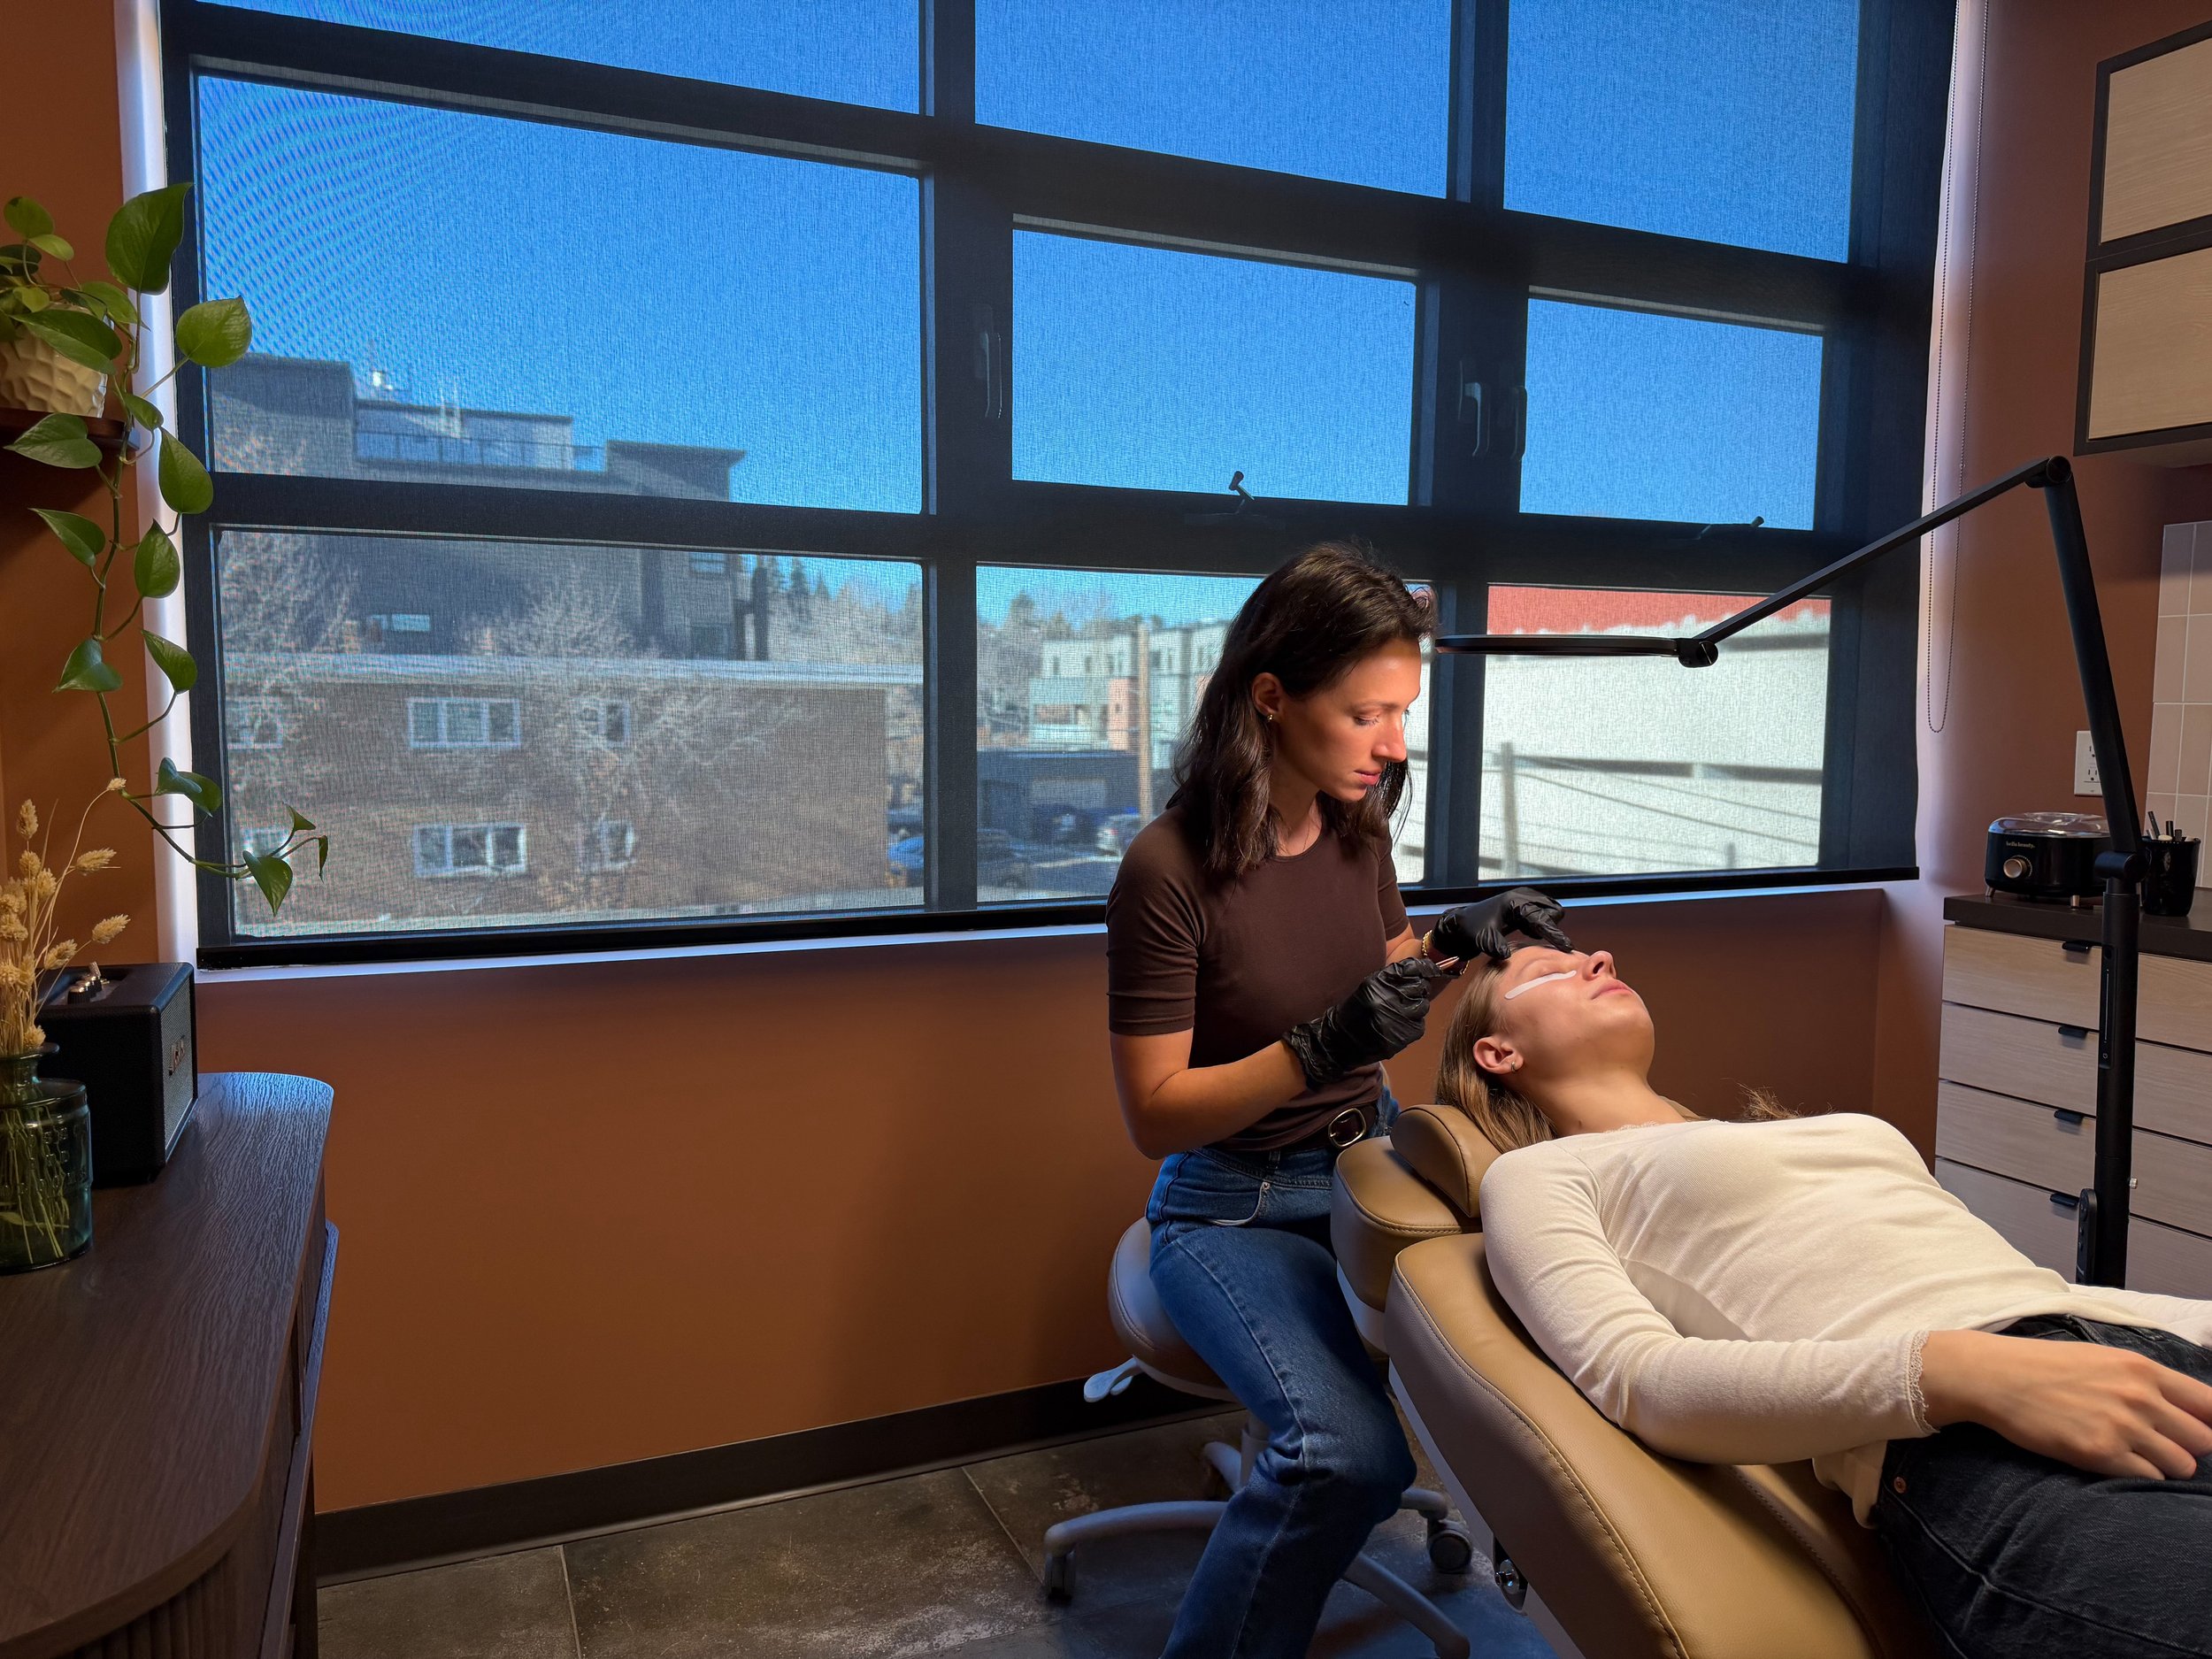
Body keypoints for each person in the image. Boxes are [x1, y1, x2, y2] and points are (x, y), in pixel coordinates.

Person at [1432, 936, 2212, 1659]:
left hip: (2132, 1357)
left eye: (1588, 955)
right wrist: (1962, 1370)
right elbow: (1641, 1378)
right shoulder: (1544, 1176)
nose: (1597, 957)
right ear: (1499, 1051)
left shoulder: (1783, 1134)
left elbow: (2024, 1288)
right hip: (1973, 1438)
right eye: (1550, 970)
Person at [1105, 540, 1570, 1659]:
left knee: (1554, 1355)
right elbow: (1155, 1111)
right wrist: (1317, 1050)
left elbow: (1373, 967)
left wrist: (1454, 940)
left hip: (1369, 1169)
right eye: (1367, 714)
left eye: (1401, 712)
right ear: (1271, 696)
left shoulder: (1357, 831)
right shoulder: (1167, 870)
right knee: (1344, 1455)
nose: (1393, 745)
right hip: (1229, 1206)